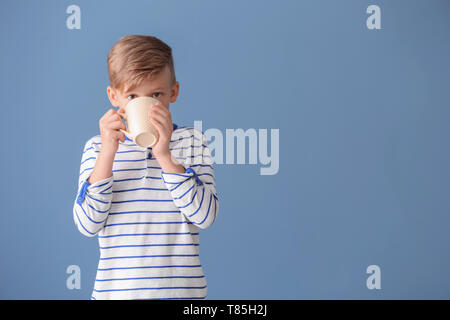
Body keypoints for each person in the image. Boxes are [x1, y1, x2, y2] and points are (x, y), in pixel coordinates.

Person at [72, 35, 219, 300]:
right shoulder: (97, 148)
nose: (146, 104)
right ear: (114, 96)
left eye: (156, 95)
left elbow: (205, 216)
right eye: (132, 96)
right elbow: (87, 224)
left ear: (173, 92)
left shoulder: (192, 141)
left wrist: (165, 157)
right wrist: (108, 153)